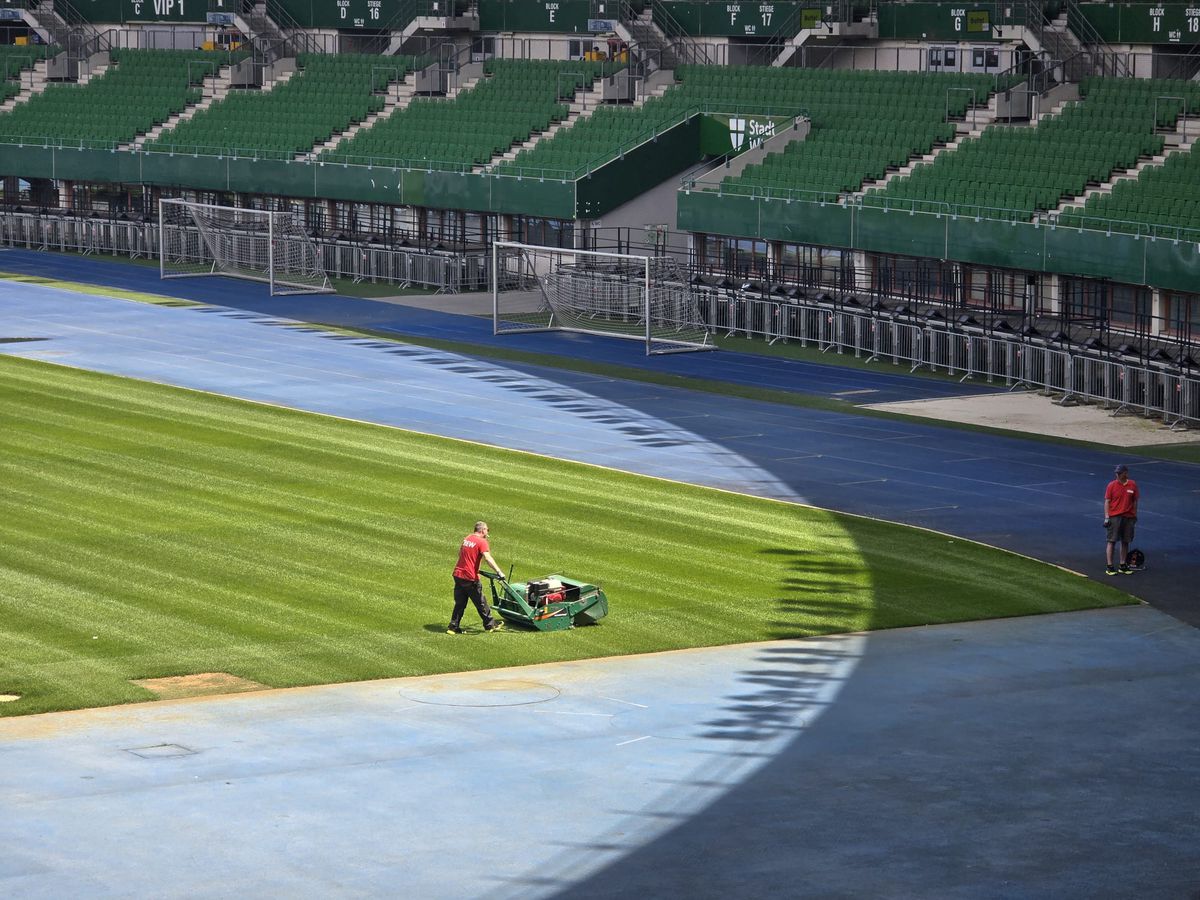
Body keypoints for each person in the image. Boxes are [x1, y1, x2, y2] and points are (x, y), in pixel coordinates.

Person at [448, 521, 504, 634]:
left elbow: (461, 553)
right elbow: (488, 558)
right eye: (487, 530)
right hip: (470, 577)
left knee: (460, 603)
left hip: (458, 574)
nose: (488, 532)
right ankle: (490, 625)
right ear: (482, 530)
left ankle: (453, 627)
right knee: (481, 602)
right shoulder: (482, 542)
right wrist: (499, 571)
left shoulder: (467, 538)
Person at [1103, 464, 1139, 576]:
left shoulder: (1132, 484)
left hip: (1128, 517)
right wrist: (1107, 517)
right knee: (1112, 541)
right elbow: (1107, 501)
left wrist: (1134, 515)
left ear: (1125, 473)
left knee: (1125, 541)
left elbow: (1135, 501)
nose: (1117, 475)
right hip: (1115, 516)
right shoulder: (1111, 485)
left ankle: (1122, 564)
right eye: (1117, 473)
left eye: (1120, 473)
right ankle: (1109, 566)